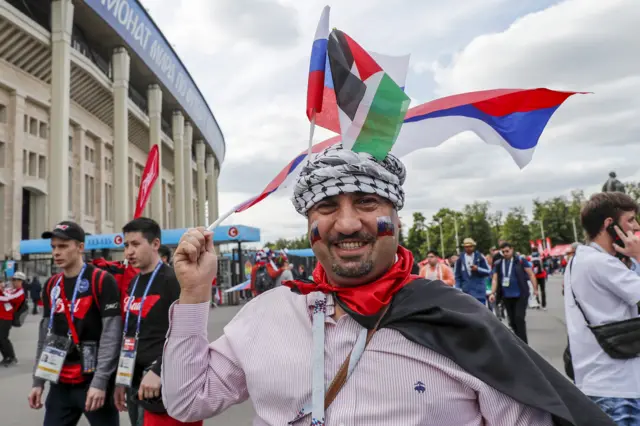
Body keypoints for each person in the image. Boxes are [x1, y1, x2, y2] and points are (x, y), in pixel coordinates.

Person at [161, 144, 612, 426]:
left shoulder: (459, 322)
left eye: (366, 202)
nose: (347, 223)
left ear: (396, 218)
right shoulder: (267, 314)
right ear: (308, 223)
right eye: (325, 208)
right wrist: (195, 295)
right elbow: (186, 401)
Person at [28, 221, 122, 426]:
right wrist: (38, 381)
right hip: (60, 383)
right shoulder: (51, 284)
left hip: (93, 383)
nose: (56, 252)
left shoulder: (101, 280)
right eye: (53, 247)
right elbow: (45, 335)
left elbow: (111, 335)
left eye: (63, 246)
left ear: (80, 247)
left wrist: (100, 382)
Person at [564, 192, 640, 423]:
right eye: (630, 220)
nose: (636, 227)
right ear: (610, 224)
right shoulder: (601, 263)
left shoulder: (581, 259)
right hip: (617, 387)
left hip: (601, 380)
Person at [113, 217, 198, 426]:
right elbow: (130, 332)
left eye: (135, 244)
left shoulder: (173, 280)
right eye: (126, 245)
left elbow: (187, 332)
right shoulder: (133, 283)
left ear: (155, 244)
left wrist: (159, 370)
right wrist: (122, 379)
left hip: (162, 380)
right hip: (135, 378)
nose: (128, 252)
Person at [490, 242, 538, 343]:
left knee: (519, 318)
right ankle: (518, 342)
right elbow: (495, 279)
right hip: (507, 296)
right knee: (512, 321)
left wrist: (535, 289)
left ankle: (524, 344)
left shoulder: (520, 260)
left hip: (520, 294)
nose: (505, 253)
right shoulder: (498, 263)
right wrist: (492, 293)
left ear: (512, 249)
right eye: (503, 252)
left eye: (507, 251)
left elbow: (531, 274)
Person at [0, 271, 26, 366]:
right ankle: (6, 357)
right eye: (13, 279)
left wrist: (2, 290)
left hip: (7, 317)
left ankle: (11, 357)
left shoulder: (20, 292)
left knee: (3, 338)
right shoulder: (11, 289)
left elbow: (7, 298)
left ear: (22, 281)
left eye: (17, 280)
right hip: (1, 315)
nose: (14, 282)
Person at [454, 238, 491, 304]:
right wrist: (458, 288)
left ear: (473, 246)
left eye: (470, 246)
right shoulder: (460, 259)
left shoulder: (480, 257)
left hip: (479, 292)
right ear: (464, 247)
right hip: (466, 292)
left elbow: (489, 271)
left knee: (481, 312)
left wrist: (478, 269)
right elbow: (457, 276)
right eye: (466, 247)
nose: (468, 248)